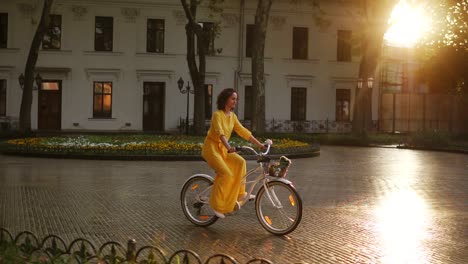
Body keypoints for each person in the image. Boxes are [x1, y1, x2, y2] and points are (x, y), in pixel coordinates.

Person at [202, 88, 266, 219]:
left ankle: (240, 193)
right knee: (225, 173)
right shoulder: (217, 115)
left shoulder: (233, 117)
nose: (235, 101)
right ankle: (217, 206)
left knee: (241, 162)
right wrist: (229, 147)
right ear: (225, 99)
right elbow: (220, 134)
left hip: (224, 150)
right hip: (212, 149)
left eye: (236, 99)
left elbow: (243, 131)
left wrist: (259, 144)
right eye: (233, 99)